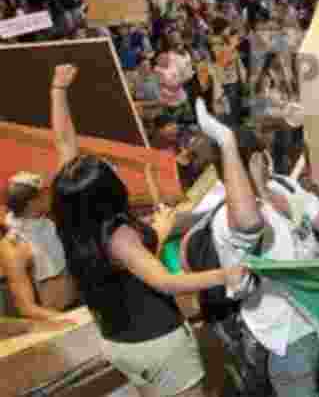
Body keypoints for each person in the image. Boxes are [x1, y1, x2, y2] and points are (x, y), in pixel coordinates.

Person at [49, 64, 247, 397]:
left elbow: (63, 142)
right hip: (157, 342)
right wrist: (226, 274)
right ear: (107, 194)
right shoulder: (120, 237)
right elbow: (166, 282)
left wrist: (58, 90)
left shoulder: (72, 213)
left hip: (118, 341)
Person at [193, 98, 319, 397]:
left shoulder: (283, 186)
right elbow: (250, 223)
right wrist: (227, 144)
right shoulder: (225, 214)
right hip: (287, 335)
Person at [0, 171, 77, 321]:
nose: (51, 197)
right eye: (45, 193)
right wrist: (71, 321)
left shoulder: (51, 224)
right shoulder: (14, 247)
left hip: (76, 309)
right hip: (50, 322)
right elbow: (26, 308)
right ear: (32, 202)